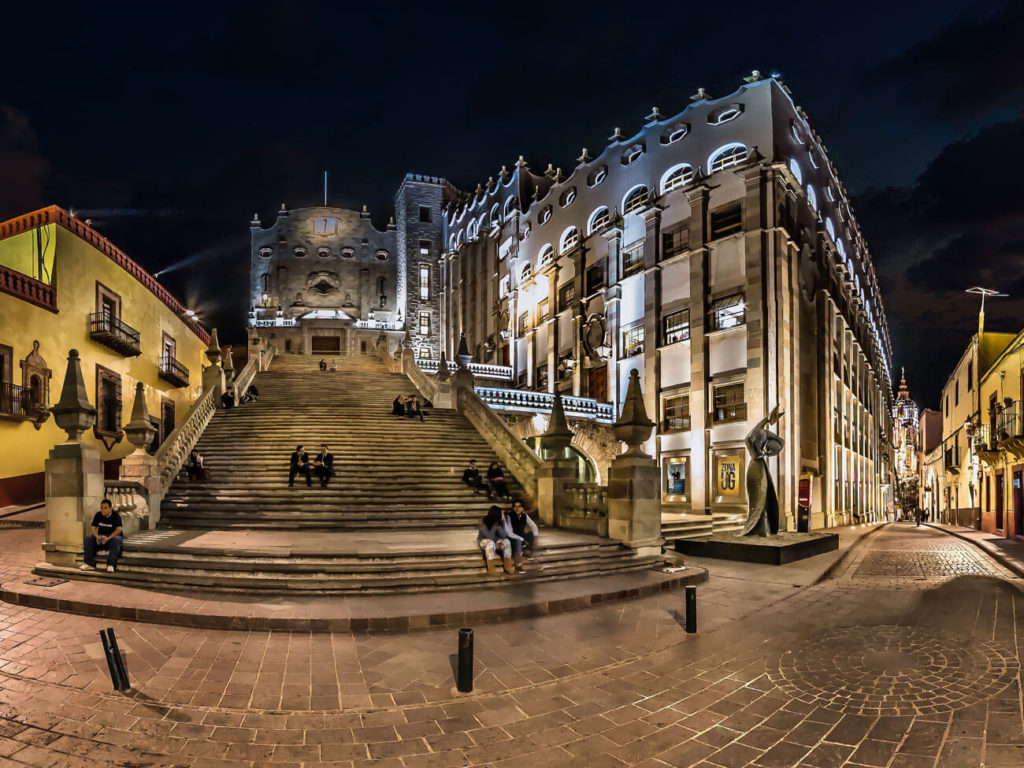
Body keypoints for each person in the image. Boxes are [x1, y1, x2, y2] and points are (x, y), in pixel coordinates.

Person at [80, 498, 124, 573]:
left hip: (112, 537)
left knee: (117, 540)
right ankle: (90, 564)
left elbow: (119, 529)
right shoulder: (98, 515)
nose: (103, 510)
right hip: (101, 536)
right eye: (101, 508)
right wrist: (97, 537)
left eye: (105, 508)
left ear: (110, 508)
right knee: (88, 539)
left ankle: (111, 565)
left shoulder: (116, 516)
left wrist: (108, 538)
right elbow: (93, 527)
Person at [477, 505, 523, 575]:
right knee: (491, 543)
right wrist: (495, 526)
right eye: (501, 513)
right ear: (496, 514)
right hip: (484, 541)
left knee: (507, 541)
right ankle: (491, 570)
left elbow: (504, 535)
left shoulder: (499, 522)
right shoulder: (483, 522)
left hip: (495, 541)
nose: (502, 515)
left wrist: (499, 525)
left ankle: (508, 567)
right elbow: (489, 536)